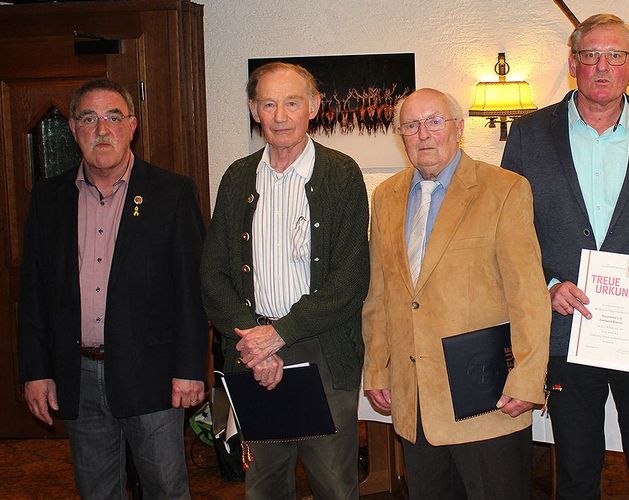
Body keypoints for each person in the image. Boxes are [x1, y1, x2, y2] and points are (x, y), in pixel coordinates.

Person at [501, 13, 629, 499]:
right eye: (591, 55)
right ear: (573, 63)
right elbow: (513, 235)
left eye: (616, 56)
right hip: (569, 330)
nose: (603, 66)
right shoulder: (528, 135)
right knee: (575, 470)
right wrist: (547, 285)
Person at [18, 78, 207, 499]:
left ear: (132, 126)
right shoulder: (49, 199)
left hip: (153, 375)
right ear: (73, 129)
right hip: (78, 374)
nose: (102, 129)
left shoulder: (171, 193)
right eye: (89, 118)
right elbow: (33, 294)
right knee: (97, 491)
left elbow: (191, 293)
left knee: (166, 489)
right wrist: (36, 371)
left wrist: (190, 369)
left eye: (113, 117)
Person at [362, 88, 551, 499]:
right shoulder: (387, 196)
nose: (423, 134)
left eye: (434, 122)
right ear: (401, 135)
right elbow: (379, 293)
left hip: (485, 397)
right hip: (415, 400)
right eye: (411, 125)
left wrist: (527, 377)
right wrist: (378, 367)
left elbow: (529, 296)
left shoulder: (504, 189)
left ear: (458, 129)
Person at [200, 62, 369, 500]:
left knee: (333, 483)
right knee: (265, 484)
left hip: (324, 351)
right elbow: (214, 274)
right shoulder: (237, 177)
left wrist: (279, 334)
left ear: (313, 106)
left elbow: (350, 279)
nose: (280, 116)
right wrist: (256, 344)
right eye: (269, 104)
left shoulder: (342, 174)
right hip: (250, 348)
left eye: (292, 102)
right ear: (254, 110)